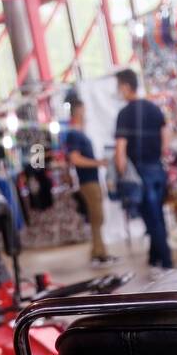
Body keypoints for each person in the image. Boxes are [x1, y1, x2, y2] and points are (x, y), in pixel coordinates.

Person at [114, 68, 173, 271]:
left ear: (125, 86)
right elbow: (166, 134)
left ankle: (167, 262)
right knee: (156, 214)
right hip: (157, 167)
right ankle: (155, 259)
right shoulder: (153, 108)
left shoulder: (124, 114)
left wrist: (121, 174)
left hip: (139, 172)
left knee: (152, 217)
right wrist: (161, 153)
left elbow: (120, 149)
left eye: (118, 86)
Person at [64, 101, 114, 264]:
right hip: (87, 181)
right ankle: (98, 253)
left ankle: (99, 251)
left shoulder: (79, 133)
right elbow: (75, 159)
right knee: (96, 216)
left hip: (91, 179)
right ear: (78, 111)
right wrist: (98, 163)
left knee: (97, 217)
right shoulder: (74, 134)